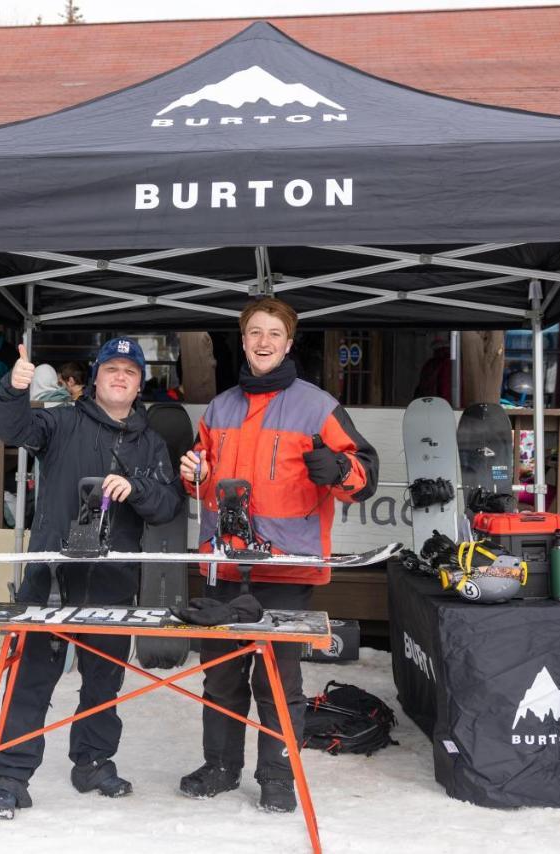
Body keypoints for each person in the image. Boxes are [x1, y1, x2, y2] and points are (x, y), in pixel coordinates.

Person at [176, 297, 378, 814]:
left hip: (286, 567)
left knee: (276, 679)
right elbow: (202, 482)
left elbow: (364, 475)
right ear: (242, 341)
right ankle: (220, 766)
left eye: (273, 334)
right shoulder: (219, 408)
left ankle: (276, 776)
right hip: (224, 563)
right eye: (254, 333)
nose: (263, 342)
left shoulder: (318, 406)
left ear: (289, 343)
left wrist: (339, 472)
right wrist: (193, 474)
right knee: (220, 675)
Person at [0, 336, 185, 820]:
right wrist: (13, 389)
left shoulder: (150, 442)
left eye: (130, 372)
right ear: (95, 378)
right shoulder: (61, 421)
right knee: (33, 676)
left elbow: (168, 505)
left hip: (113, 578)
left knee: (103, 678)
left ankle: (92, 762)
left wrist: (136, 488)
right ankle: (9, 776)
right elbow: (12, 429)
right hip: (52, 574)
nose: (120, 377)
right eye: (111, 368)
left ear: (139, 385)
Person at [414, 334, 452, 399]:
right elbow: (446, 392)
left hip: (427, 403)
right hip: (441, 404)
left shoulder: (429, 364)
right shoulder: (449, 364)